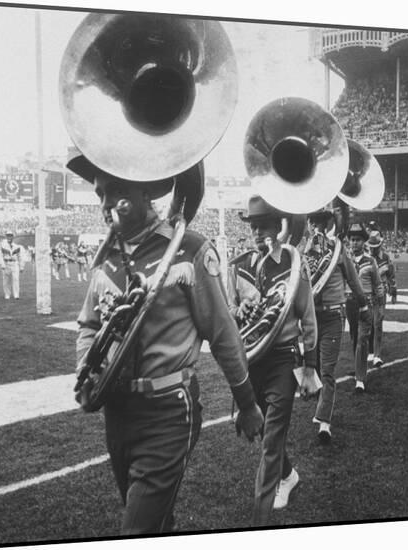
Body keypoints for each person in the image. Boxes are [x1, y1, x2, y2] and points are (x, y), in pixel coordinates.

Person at [70, 156, 264, 536]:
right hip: (117, 413)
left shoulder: (189, 249)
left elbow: (223, 335)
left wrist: (247, 402)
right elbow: (88, 324)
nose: (107, 204)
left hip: (168, 413)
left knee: (136, 530)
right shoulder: (107, 257)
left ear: (146, 192)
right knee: (156, 521)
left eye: (118, 192)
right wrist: (84, 366)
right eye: (101, 194)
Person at [227, 195, 318, 525]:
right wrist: (240, 312)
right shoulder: (238, 266)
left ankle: (259, 519)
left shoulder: (294, 263)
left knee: (271, 439)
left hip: (283, 360)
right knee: (265, 432)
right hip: (253, 360)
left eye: (264, 224)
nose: (257, 231)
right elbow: (230, 314)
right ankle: (289, 474)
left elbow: (308, 318)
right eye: (253, 226)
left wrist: (311, 368)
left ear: (279, 226)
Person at [305, 210, 370, 444]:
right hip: (311, 316)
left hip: (333, 315)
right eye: (312, 223)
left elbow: (352, 279)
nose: (314, 228)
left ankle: (324, 423)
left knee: (328, 370)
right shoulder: (305, 250)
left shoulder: (338, 250)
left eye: (318, 223)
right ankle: (320, 402)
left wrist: (363, 305)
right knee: (313, 366)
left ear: (327, 225)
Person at [346, 223, 384, 393]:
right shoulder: (345, 260)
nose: (354, 243)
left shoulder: (371, 261)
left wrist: (380, 306)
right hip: (350, 303)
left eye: (357, 240)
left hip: (367, 304)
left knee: (362, 339)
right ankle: (358, 367)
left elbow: (378, 284)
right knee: (354, 336)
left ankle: (360, 379)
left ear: (364, 242)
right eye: (352, 240)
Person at [367, 230, 397, 366]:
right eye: (371, 247)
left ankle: (377, 355)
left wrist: (394, 291)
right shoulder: (366, 257)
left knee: (378, 323)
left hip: (381, 295)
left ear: (379, 245)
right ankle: (369, 351)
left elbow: (391, 275)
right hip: (367, 295)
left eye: (375, 247)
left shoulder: (386, 257)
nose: (372, 249)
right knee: (368, 323)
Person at [0, 231, 24, 300]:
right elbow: (0, 256)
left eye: (10, 236)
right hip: (6, 263)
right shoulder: (3, 246)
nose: (9, 237)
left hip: (14, 263)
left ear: (13, 237)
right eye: (8, 236)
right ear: (6, 237)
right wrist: (2, 264)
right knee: (6, 280)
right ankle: (7, 294)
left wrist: (21, 266)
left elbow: (20, 257)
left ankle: (16, 295)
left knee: (16, 279)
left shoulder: (17, 246)